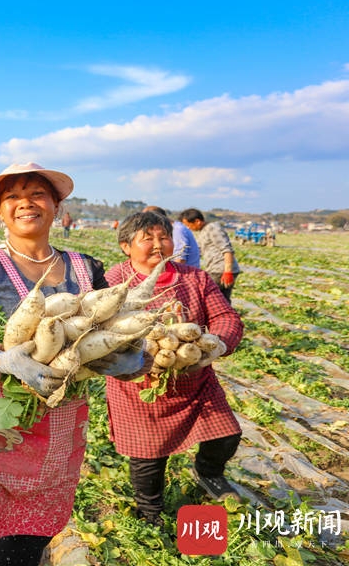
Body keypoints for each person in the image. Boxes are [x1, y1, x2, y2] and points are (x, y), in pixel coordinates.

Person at [0, 162, 142, 566]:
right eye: (12, 196)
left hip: (59, 433)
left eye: (37, 194)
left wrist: (127, 358)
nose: (25, 203)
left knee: (29, 541)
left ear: (57, 205)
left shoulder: (88, 269)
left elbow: (110, 332)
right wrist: (1, 359)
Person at [105, 211, 244, 527]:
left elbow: (227, 318)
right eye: (147, 239)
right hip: (139, 387)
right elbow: (99, 330)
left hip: (195, 380)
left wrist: (216, 344)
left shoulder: (195, 277)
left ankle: (208, 472)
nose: (158, 245)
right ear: (126, 246)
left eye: (163, 237)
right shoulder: (113, 282)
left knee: (227, 435)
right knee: (148, 458)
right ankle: (149, 512)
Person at [179, 208, 240, 302]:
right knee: (222, 299)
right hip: (217, 269)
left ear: (197, 221)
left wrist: (228, 271)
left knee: (209, 297)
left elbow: (227, 250)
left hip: (220, 270)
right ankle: (227, 315)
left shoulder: (213, 228)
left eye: (188, 225)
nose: (188, 228)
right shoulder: (204, 231)